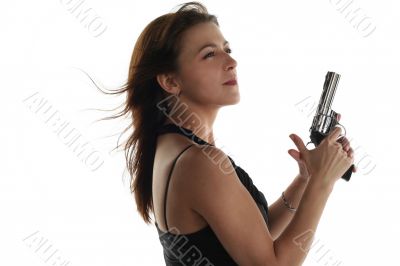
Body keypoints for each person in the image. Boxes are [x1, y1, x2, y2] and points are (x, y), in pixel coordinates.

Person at [105, 2, 356, 265]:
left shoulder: (175, 146)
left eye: (227, 49)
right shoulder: (198, 162)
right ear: (170, 81)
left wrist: (305, 179)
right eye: (209, 55)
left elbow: (248, 240)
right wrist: (322, 183)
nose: (231, 62)